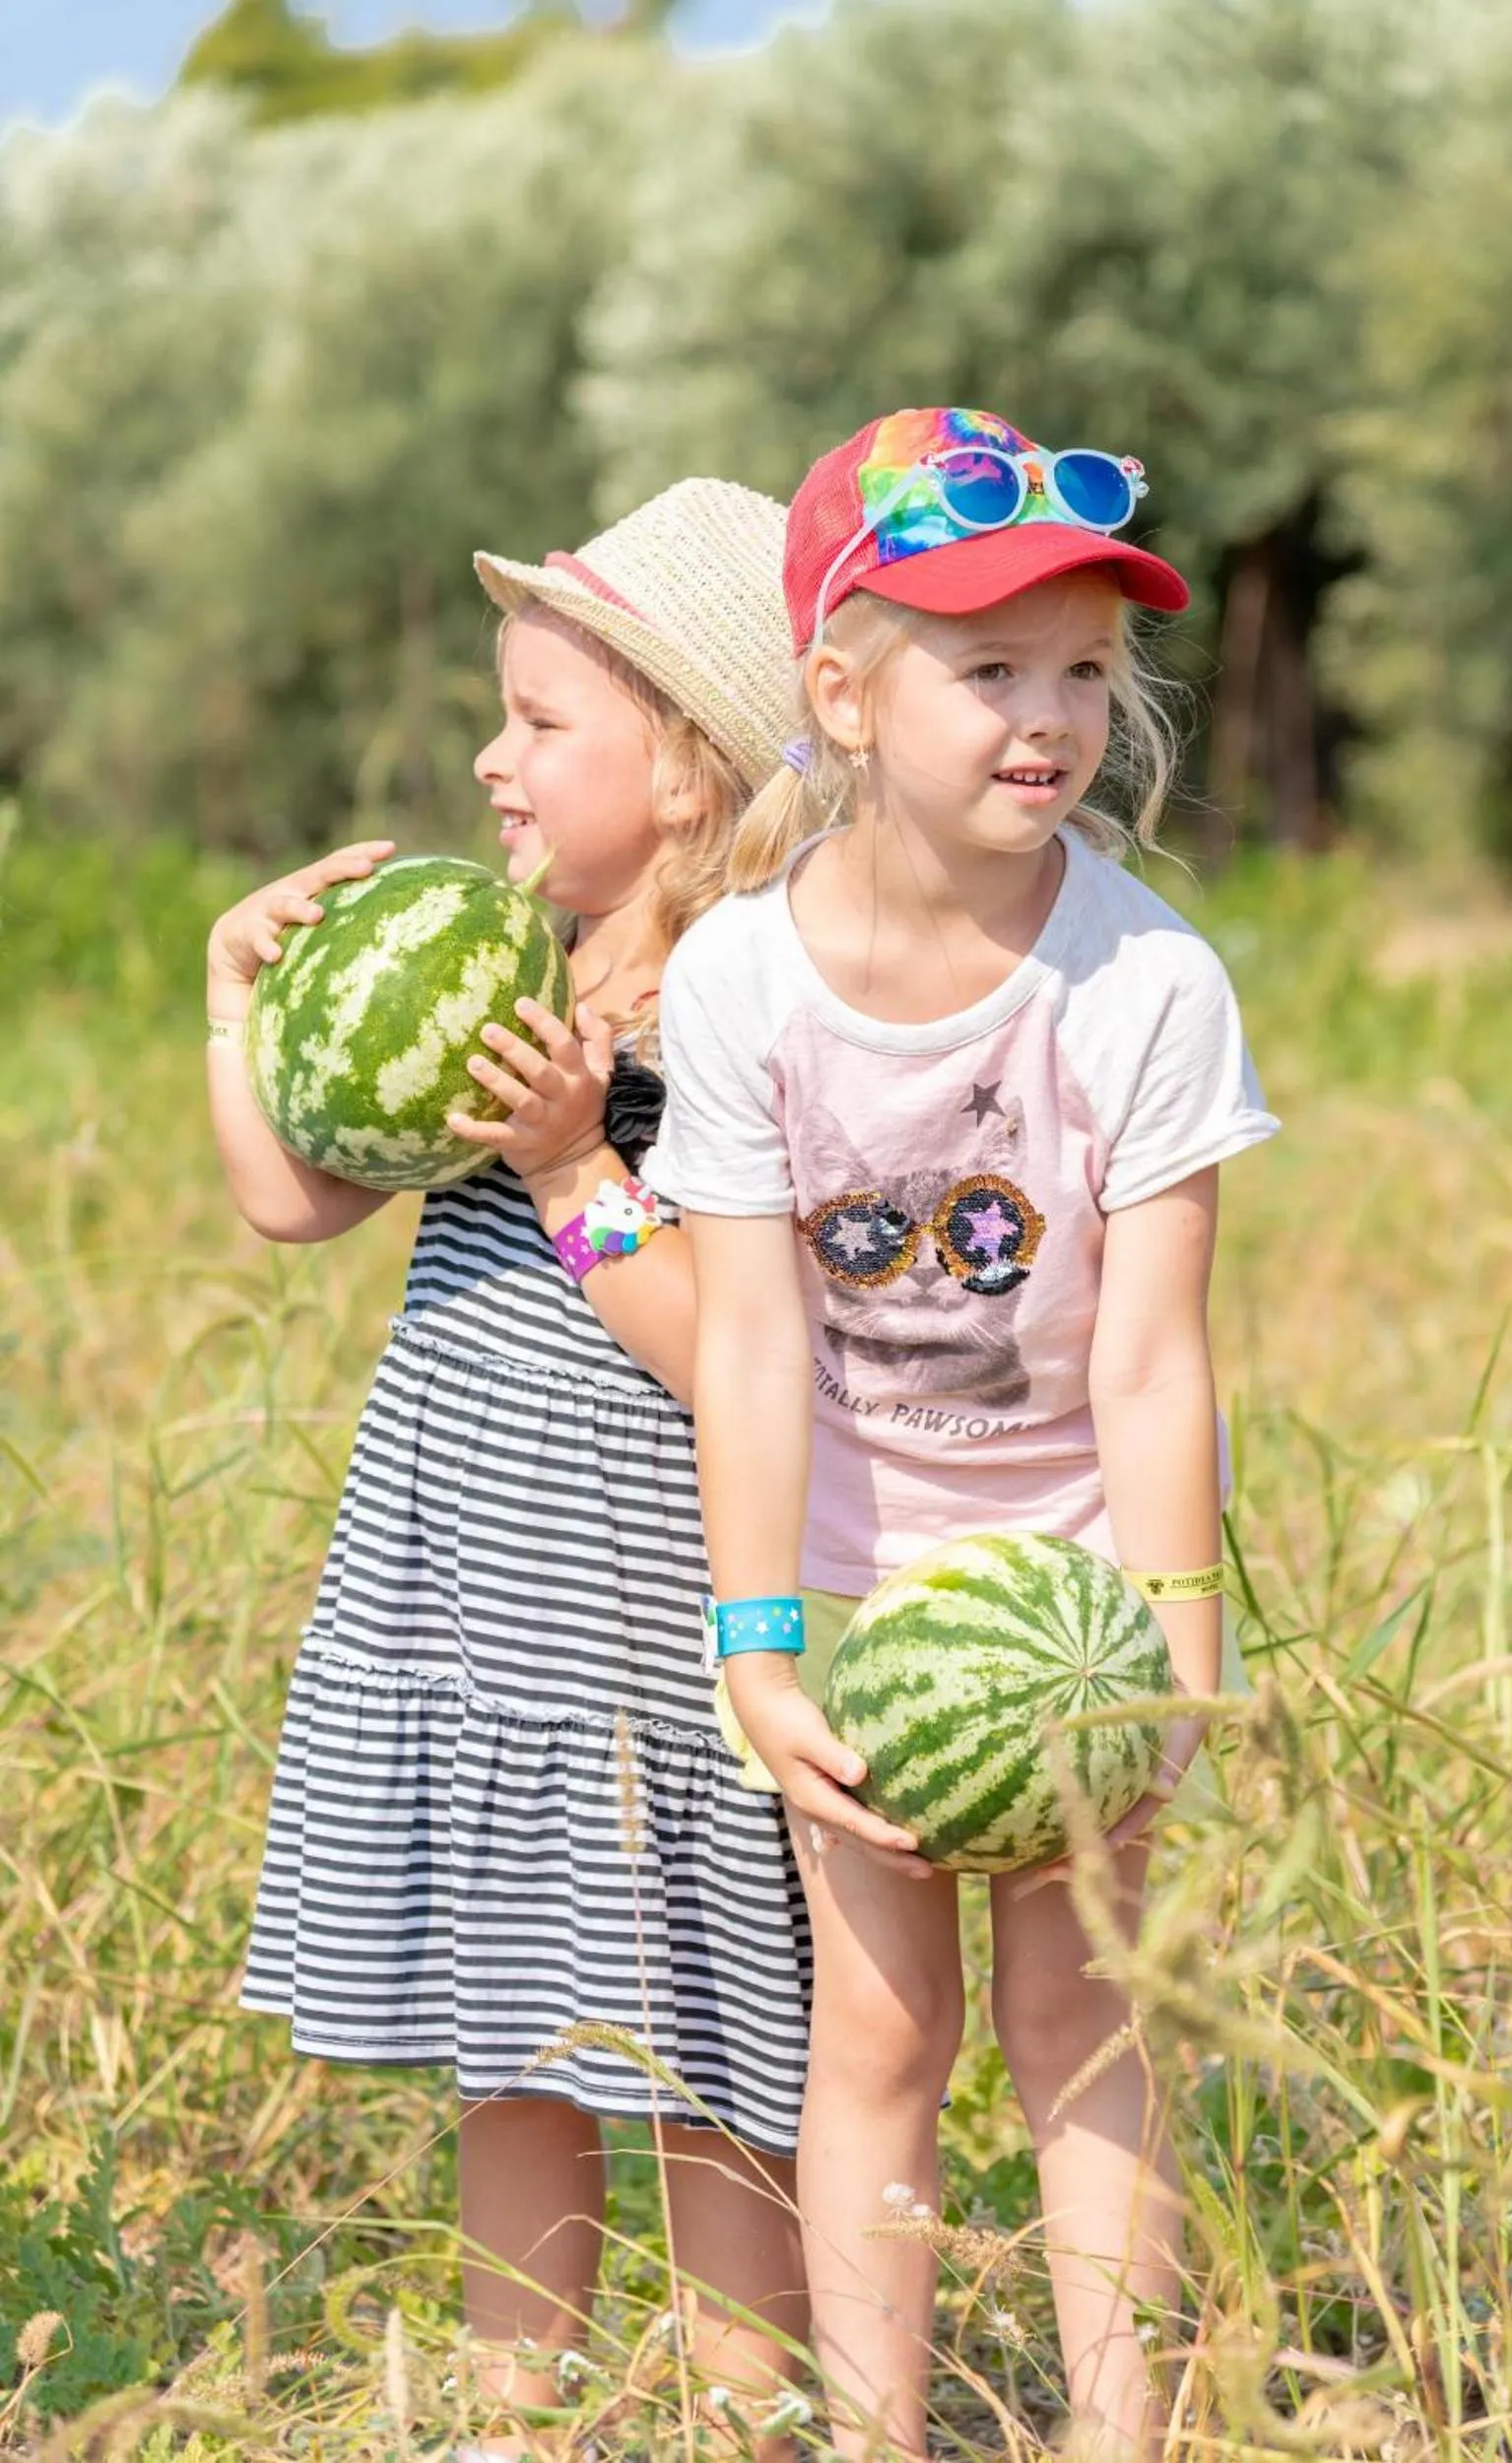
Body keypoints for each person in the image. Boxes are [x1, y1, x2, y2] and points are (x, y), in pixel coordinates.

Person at [648, 407, 1281, 2460]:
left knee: (1079, 2012)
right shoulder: (740, 977)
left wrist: (1173, 1645)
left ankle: (1122, 2430)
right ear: (838, 690)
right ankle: (876, 2430)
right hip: (844, 1576)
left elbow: (1153, 1360)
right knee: (885, 2021)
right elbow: (746, 1337)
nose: (1048, 714)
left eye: (1084, 669)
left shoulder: (1144, 979)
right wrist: (759, 1636)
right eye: (984, 665)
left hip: (1077, 1584)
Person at [204, 481, 811, 2458]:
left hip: (648, 1595)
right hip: (469, 1581)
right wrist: (246, 1009)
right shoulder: (499, 953)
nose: (492, 756)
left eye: (543, 721)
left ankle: (742, 2404)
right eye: (503, 713)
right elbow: (295, 1199)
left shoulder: (734, 1003)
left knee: (708, 2043)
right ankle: (509, 2412)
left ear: (695, 760)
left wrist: (568, 1164)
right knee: (516, 2031)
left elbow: (727, 1338)